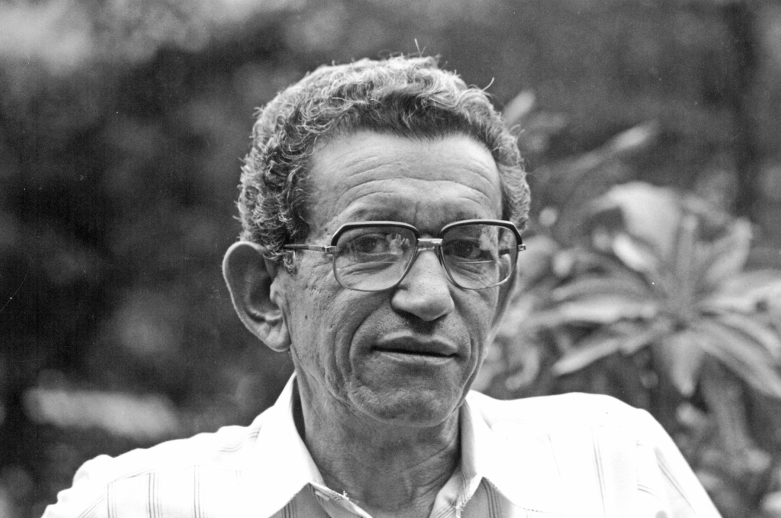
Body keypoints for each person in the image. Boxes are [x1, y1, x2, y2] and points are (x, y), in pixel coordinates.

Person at [42, 55, 721, 518]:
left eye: (468, 250)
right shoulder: (133, 506)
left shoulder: (614, 471)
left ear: (503, 293)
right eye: (369, 245)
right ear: (263, 292)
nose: (428, 297)